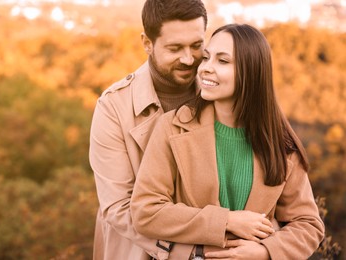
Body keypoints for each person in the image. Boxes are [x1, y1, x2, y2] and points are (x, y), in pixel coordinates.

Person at [131, 23, 325, 260]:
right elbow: (146, 212)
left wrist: (266, 251)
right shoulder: (172, 127)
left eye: (222, 61)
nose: (205, 68)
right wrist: (227, 220)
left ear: (250, 72)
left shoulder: (279, 143)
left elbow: (307, 224)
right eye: (206, 58)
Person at [89, 0, 209, 259]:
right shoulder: (113, 107)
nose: (189, 59)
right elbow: (119, 206)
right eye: (175, 48)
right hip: (139, 251)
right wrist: (189, 252)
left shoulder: (222, 95)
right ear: (147, 43)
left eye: (197, 46)